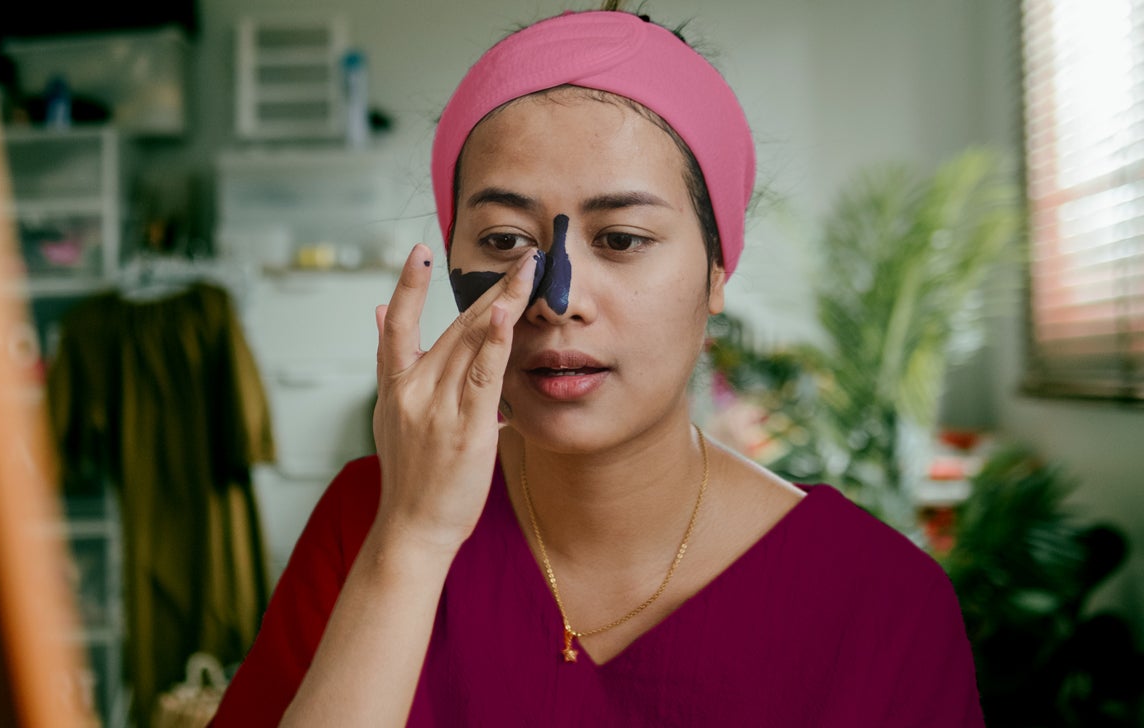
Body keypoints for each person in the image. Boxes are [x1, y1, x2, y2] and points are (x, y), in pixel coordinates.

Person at [211, 6, 985, 726]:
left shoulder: (880, 598)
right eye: (506, 243)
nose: (556, 299)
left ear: (717, 272)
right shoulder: (370, 518)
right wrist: (409, 543)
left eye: (620, 239)